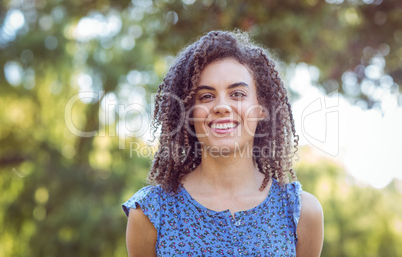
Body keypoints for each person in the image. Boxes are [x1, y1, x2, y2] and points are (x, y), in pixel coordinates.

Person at [122, 30, 324, 256]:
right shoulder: (151, 212)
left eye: (237, 94)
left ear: (262, 109)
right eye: (206, 96)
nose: (221, 106)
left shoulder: (301, 212)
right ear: (189, 113)